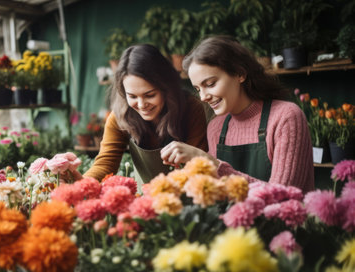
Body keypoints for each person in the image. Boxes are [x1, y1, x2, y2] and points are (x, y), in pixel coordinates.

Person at [160, 36, 314, 192]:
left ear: (240, 74)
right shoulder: (216, 127)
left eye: (210, 84)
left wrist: (211, 164)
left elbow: (282, 195)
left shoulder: (285, 117)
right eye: (198, 89)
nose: (203, 97)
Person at [77, 44, 209, 184]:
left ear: (166, 88)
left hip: (190, 196)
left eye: (150, 95)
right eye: (132, 96)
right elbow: (105, 164)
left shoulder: (191, 108)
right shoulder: (120, 117)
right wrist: (79, 186)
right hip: (144, 200)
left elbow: (198, 166)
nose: (141, 105)